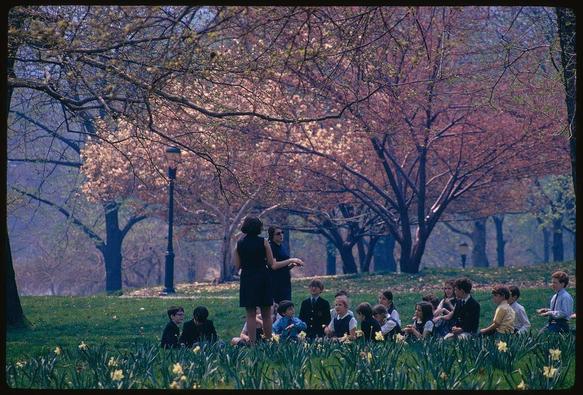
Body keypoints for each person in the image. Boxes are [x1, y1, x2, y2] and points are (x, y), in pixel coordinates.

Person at [234, 216, 302, 345]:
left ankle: (253, 343)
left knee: (251, 315)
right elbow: (271, 263)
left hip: (247, 279)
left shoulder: (239, 244)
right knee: (266, 313)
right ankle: (269, 341)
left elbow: (237, 266)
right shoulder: (263, 242)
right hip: (262, 278)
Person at [268, 226, 304, 303]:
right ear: (272, 236)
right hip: (275, 283)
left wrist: (292, 265)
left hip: (285, 282)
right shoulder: (271, 247)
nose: (281, 235)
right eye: (278, 233)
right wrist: (291, 260)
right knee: (279, 307)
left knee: (287, 306)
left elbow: (282, 267)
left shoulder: (281, 246)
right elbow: (274, 266)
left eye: (282, 232)